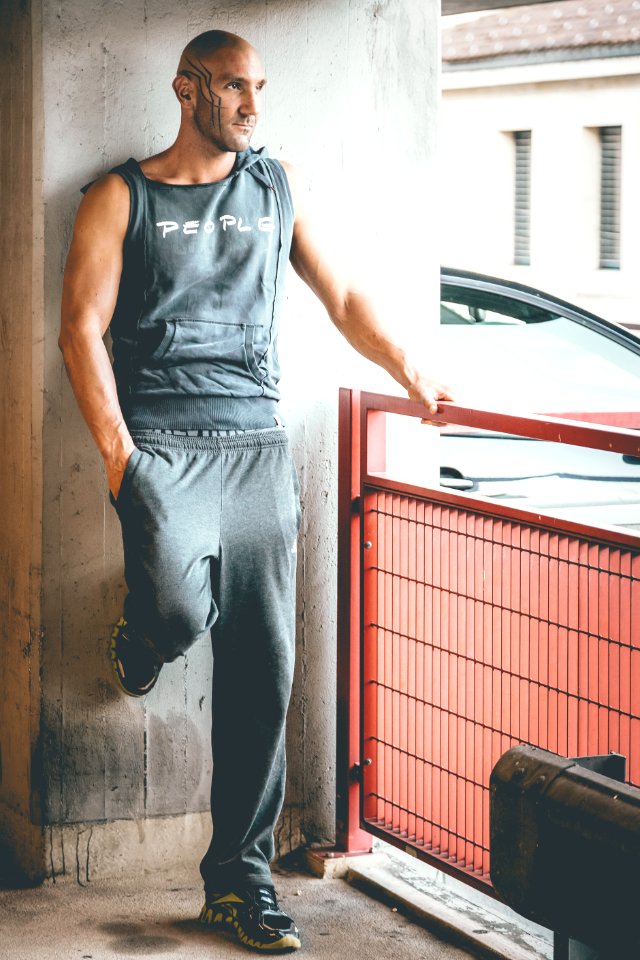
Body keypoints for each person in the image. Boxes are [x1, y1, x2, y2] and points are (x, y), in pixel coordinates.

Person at [59, 29, 452, 954]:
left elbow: (343, 291)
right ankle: (145, 632)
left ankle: (237, 882)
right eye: (236, 86)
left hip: (256, 450)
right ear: (187, 88)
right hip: (162, 448)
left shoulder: (273, 188)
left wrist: (409, 370)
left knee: (262, 670)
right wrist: (121, 461)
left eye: (261, 87)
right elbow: (80, 328)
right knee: (180, 613)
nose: (253, 105)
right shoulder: (123, 195)